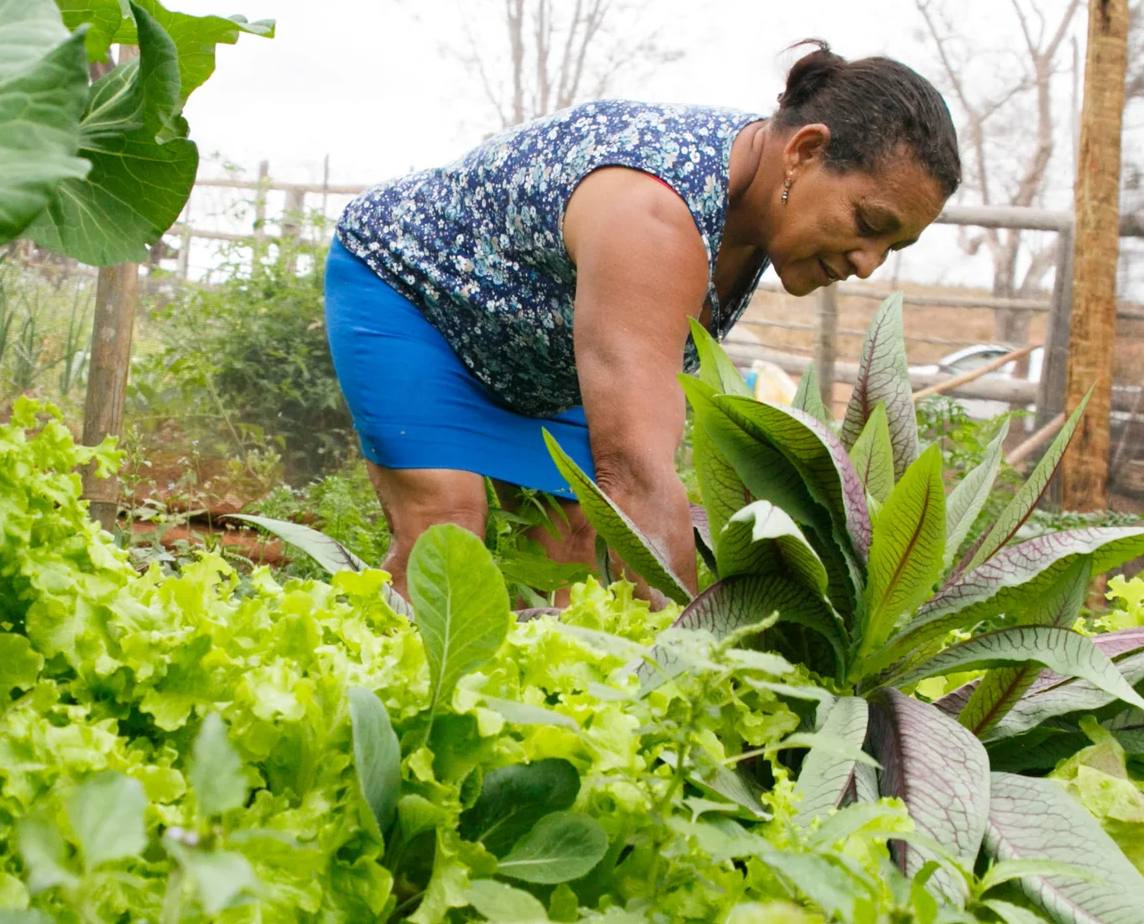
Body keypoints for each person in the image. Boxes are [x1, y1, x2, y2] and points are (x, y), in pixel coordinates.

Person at [324, 42, 963, 596]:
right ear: (805, 151)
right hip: (421, 302)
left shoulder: (761, 204)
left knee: (574, 555)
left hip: (551, 346)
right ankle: (389, 702)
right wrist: (694, 661)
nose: (868, 263)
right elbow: (634, 470)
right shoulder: (654, 210)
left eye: (893, 248)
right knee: (446, 539)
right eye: (870, 224)